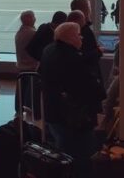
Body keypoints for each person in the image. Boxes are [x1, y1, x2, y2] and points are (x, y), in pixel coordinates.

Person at [39, 22, 106, 178]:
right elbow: (87, 87)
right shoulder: (71, 57)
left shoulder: (49, 50)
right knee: (82, 155)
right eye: (78, 34)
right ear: (69, 38)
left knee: (61, 151)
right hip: (74, 118)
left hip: (53, 112)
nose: (81, 37)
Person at [70, 0, 103, 76]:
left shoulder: (73, 29)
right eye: (89, 7)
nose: (90, 10)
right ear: (84, 10)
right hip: (85, 75)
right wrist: (98, 51)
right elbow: (80, 57)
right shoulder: (81, 30)